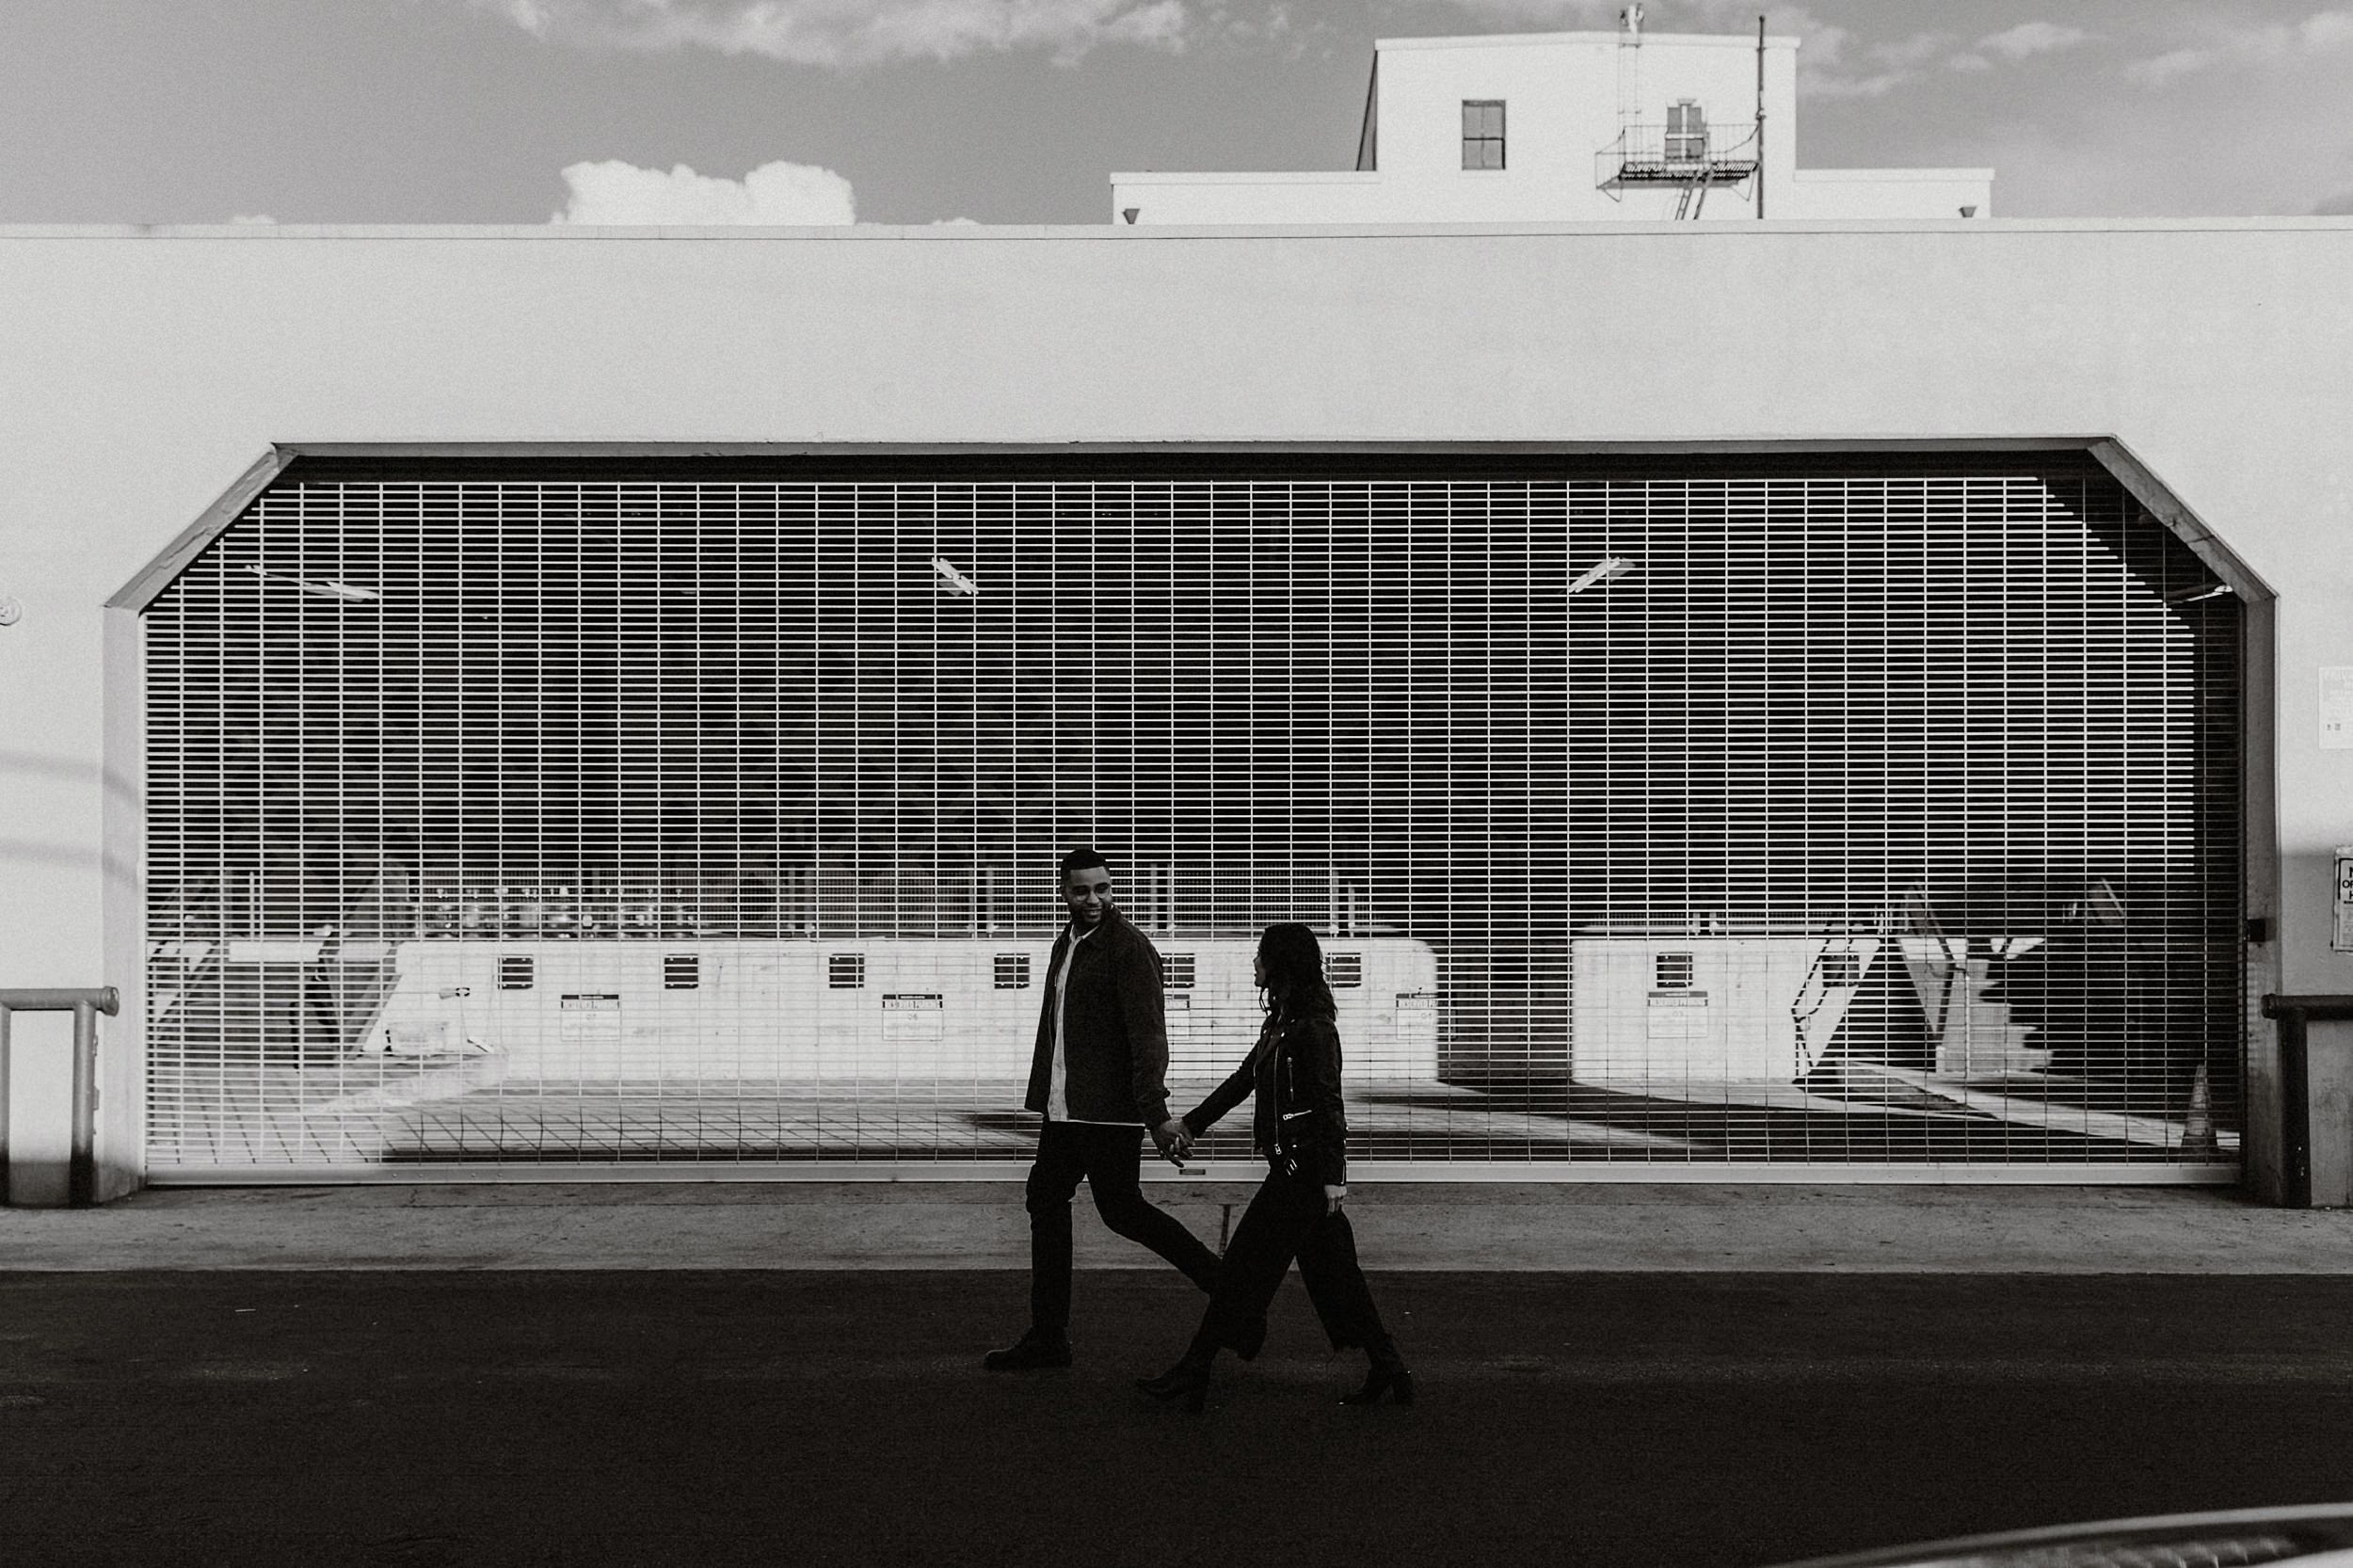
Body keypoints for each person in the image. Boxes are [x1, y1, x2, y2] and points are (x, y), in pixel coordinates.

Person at [1136, 922, 1413, 1412]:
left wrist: (1334, 1177)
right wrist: (1191, 1125)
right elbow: (1243, 1080)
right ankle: (1389, 1367)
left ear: (1280, 963)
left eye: (1261, 954)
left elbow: (1329, 1103)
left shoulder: (1313, 1028)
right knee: (1341, 1278)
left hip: (1301, 1175)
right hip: (1292, 1169)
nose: (1255, 962)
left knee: (1239, 1272)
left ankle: (1195, 1370)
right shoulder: (1281, 1023)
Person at [983, 848, 1223, 1371]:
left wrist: (1155, 1113)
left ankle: (1230, 1292)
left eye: (1102, 889)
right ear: (1063, 892)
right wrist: (1048, 1096)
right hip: (1066, 1111)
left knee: (1122, 1211)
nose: (1094, 899)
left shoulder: (1128, 948)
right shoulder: (1067, 942)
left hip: (1107, 1113)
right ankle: (1049, 1337)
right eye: (1082, 890)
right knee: (1047, 1199)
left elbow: (1148, 1037)